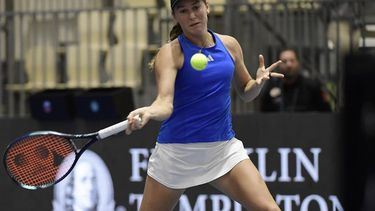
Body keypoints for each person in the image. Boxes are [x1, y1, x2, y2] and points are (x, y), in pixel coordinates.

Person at [126, 0, 283, 210]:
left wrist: (258, 83)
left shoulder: (229, 45)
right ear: (175, 17)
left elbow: (246, 92)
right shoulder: (170, 53)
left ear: (207, 7)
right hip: (176, 154)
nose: (192, 15)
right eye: (183, 10)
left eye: (196, 7)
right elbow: (164, 103)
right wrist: (149, 111)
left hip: (222, 150)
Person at [260, 48, 331, 112]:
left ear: (298, 63)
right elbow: (263, 116)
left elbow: (326, 113)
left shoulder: (312, 86)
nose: (289, 65)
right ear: (279, 66)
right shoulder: (271, 87)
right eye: (284, 61)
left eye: (292, 60)